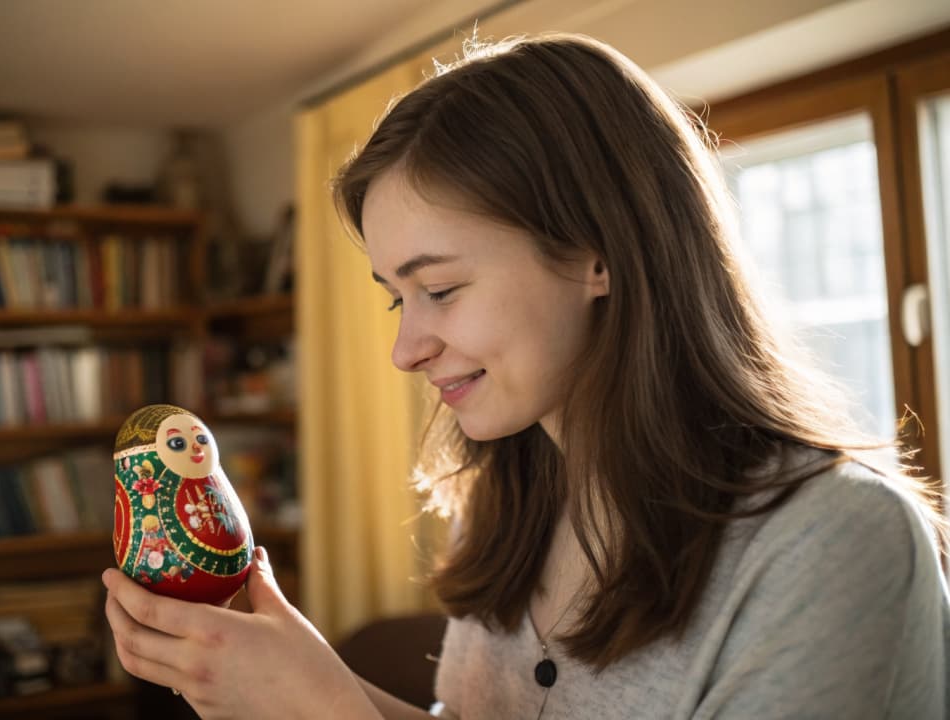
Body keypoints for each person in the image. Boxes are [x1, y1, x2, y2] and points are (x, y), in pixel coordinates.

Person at [103, 32, 950, 719]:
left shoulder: (833, 542)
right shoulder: (508, 506)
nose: (405, 350)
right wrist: (298, 683)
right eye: (398, 299)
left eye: (440, 289)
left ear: (595, 253)